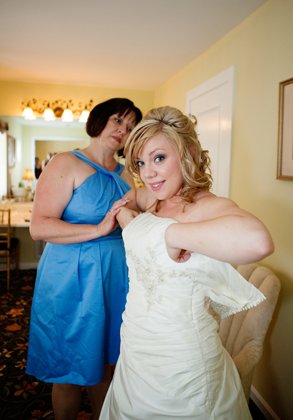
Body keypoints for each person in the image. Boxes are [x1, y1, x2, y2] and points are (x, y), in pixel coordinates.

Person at [99, 106, 274, 420]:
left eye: (159, 158)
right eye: (140, 161)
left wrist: (173, 235)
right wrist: (128, 216)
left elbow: (259, 241)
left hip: (182, 358)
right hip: (136, 342)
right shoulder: (152, 199)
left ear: (188, 152)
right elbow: (125, 201)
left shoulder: (209, 206)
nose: (148, 173)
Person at [26, 98, 142, 420]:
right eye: (118, 120)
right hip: (70, 278)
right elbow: (39, 226)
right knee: (69, 369)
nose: (123, 130)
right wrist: (99, 228)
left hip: (115, 278)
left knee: (105, 366)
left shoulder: (128, 175)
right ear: (100, 120)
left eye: (131, 127)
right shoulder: (66, 162)